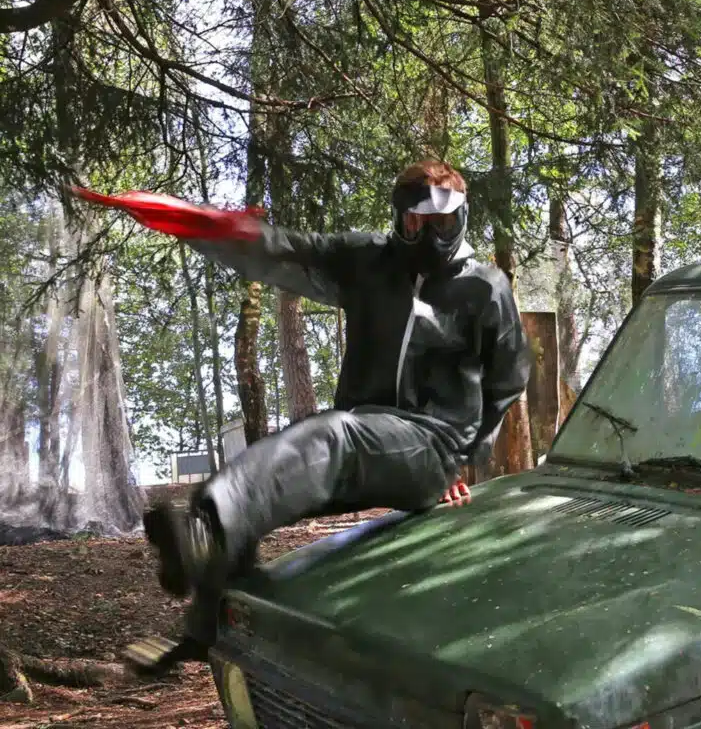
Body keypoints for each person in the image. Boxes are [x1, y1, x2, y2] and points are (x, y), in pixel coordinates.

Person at [123, 159, 531, 675]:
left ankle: (206, 528)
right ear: (398, 219)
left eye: (442, 223)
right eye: (416, 223)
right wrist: (205, 226)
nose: (430, 236)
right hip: (364, 443)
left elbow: (508, 379)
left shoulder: (486, 286)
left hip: (432, 445)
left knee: (332, 437)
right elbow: (286, 247)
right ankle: (205, 630)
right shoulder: (368, 259)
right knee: (265, 487)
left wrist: (465, 458)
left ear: (462, 218)